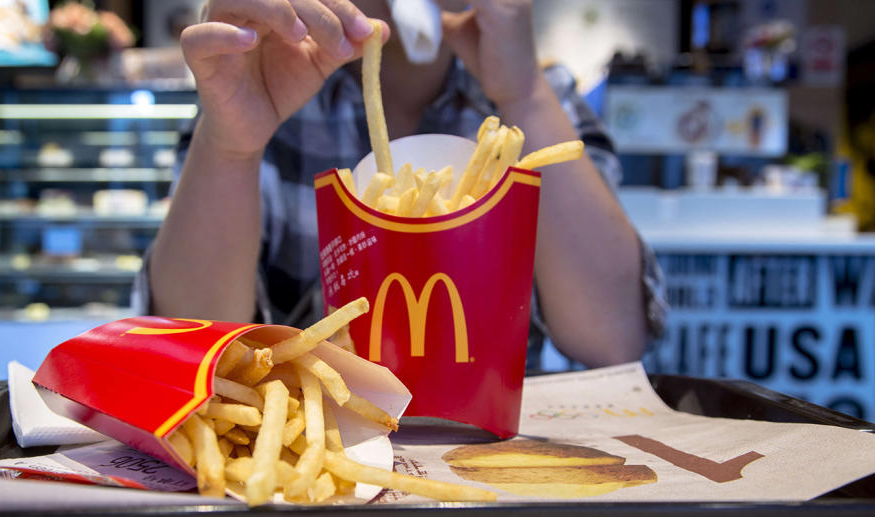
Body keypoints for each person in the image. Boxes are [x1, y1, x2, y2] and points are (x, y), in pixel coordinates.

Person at [134, 0, 666, 369]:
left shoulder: (541, 96)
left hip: (494, 461)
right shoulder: (258, 80)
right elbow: (191, 345)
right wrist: (231, 147)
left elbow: (614, 339)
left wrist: (524, 92)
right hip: (310, 471)